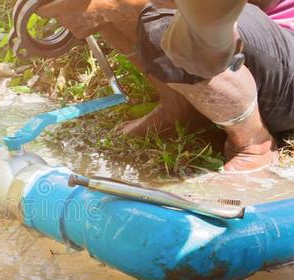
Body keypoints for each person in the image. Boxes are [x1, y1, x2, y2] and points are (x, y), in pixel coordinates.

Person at [38, 0, 294, 172]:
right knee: (105, 9)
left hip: (286, 69)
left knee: (164, 25)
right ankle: (177, 106)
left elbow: (215, 9)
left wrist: (114, 4)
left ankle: (255, 144)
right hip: (253, 49)